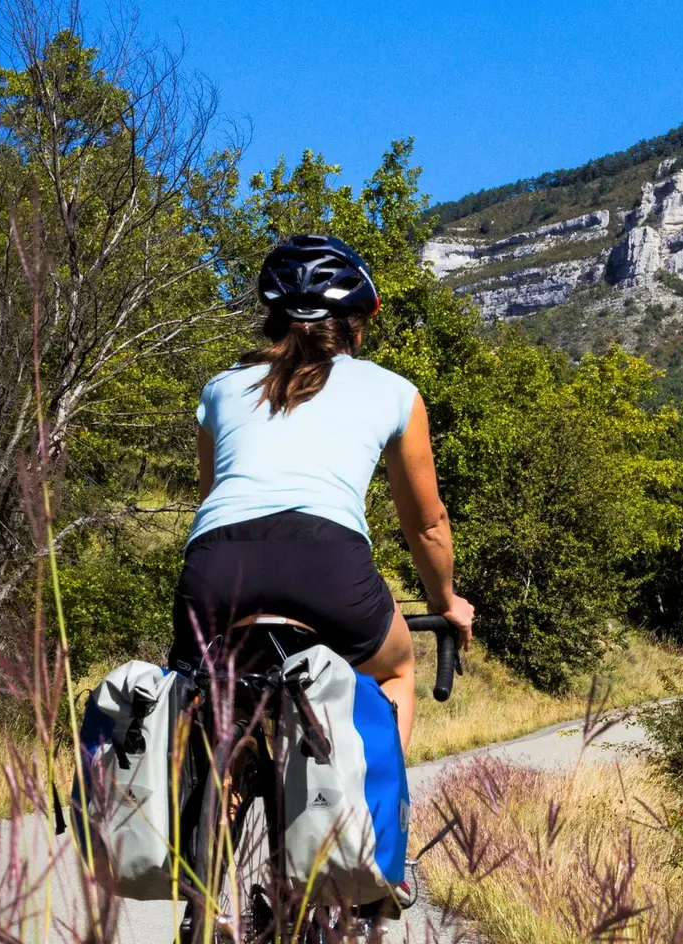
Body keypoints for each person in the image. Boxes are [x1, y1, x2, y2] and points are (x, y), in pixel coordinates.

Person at [170, 233, 474, 749]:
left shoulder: (220, 388)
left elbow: (211, 503)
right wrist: (446, 602)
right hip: (328, 567)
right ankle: (372, 825)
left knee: (206, 693)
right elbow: (426, 524)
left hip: (216, 570)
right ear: (356, 325)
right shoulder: (394, 391)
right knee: (396, 670)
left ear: (272, 319)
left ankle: (209, 806)